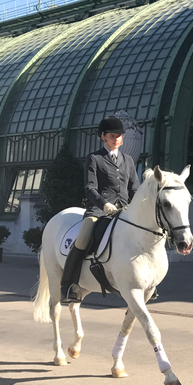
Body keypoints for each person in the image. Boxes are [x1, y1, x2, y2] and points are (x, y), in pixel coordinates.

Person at [60, 116, 140, 304]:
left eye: (120, 136)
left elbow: (134, 188)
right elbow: (90, 188)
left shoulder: (127, 160)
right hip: (99, 210)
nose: (117, 139)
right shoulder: (95, 158)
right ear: (102, 136)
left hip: (124, 211)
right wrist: (104, 204)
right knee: (82, 239)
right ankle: (68, 285)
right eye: (112, 136)